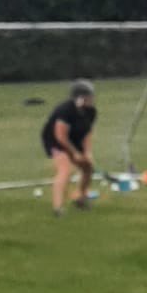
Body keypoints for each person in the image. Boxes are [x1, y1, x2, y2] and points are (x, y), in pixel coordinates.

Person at [40, 79, 97, 217]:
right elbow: (60, 136)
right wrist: (74, 153)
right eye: (89, 96)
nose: (92, 98)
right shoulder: (65, 110)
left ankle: (80, 198)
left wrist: (87, 153)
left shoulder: (91, 111)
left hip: (75, 139)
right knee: (65, 169)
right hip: (55, 140)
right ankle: (58, 208)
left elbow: (87, 133)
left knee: (88, 167)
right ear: (80, 98)